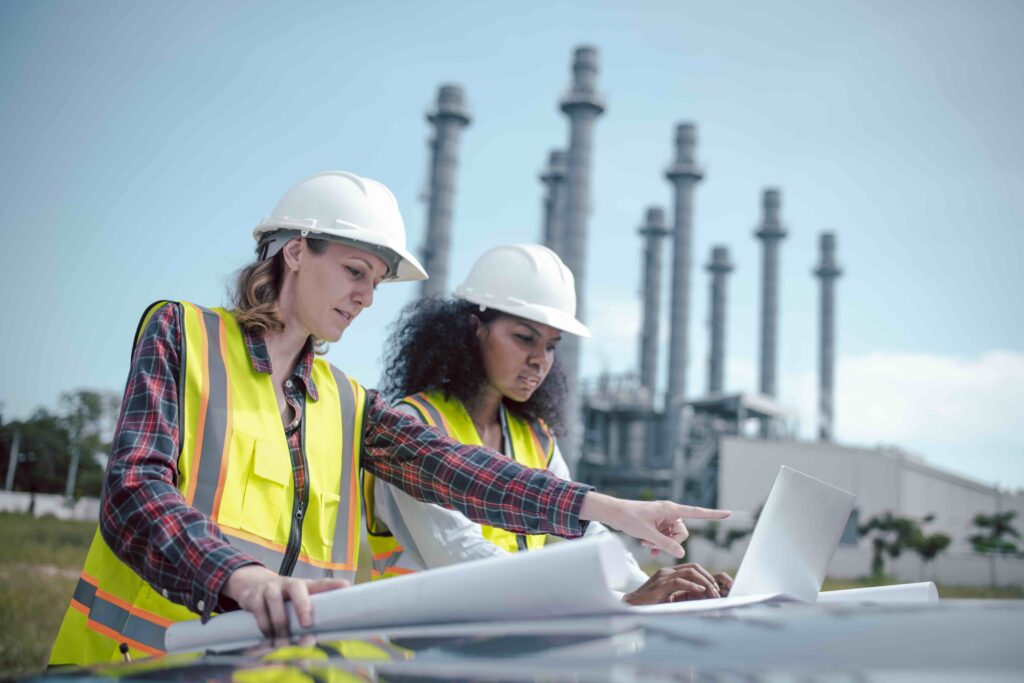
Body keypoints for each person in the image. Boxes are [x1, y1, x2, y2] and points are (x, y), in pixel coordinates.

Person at [49, 172, 729, 666]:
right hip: (138, 658)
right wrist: (238, 576)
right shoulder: (183, 334)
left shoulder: (349, 402)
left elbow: (459, 471)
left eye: (376, 281)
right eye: (354, 271)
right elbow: (135, 492)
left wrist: (606, 508)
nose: (367, 296)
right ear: (294, 252)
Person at [366, 244, 733, 605]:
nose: (540, 360)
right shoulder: (412, 427)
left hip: (504, 652)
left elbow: (583, 536)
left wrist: (664, 590)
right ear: (474, 329)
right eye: (524, 338)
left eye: (552, 345)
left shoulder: (536, 438)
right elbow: (461, 557)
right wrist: (622, 601)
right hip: (415, 656)